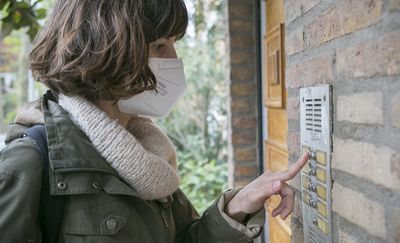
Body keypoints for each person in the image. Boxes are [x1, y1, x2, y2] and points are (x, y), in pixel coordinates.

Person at [0, 0, 309, 242]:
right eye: (160, 45)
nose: (174, 60)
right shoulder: (31, 161)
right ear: (106, 50)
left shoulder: (146, 157)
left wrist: (237, 206)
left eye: (174, 43)